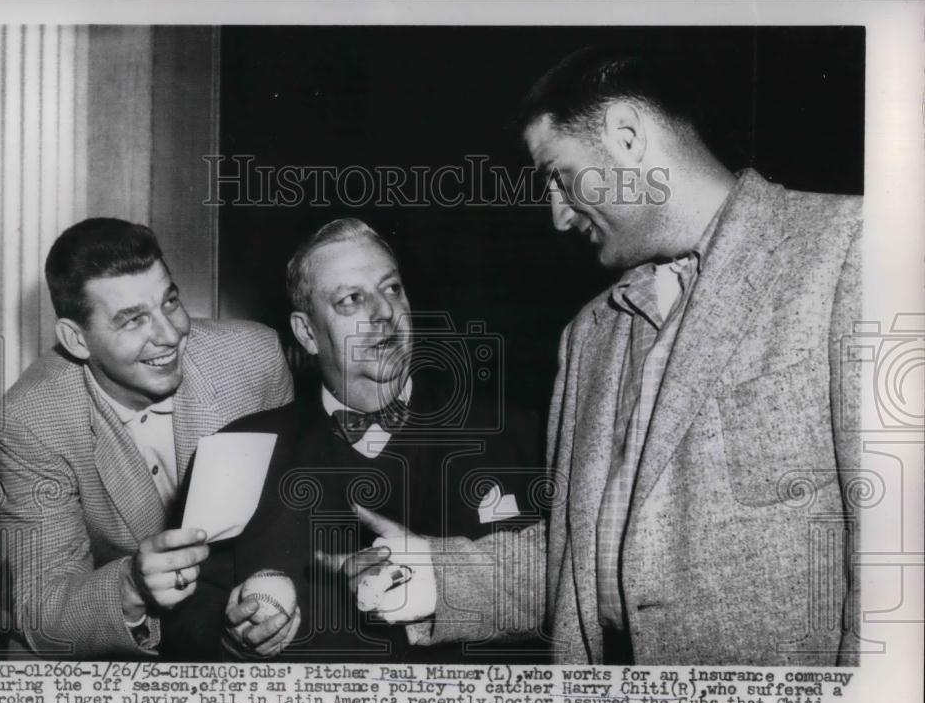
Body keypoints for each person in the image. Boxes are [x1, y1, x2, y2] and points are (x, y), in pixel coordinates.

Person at [335, 51, 861, 666]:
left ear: (628, 136)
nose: (557, 215)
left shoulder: (851, 249)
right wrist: (436, 573)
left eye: (558, 176)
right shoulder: (589, 335)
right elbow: (579, 560)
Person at [161, 218, 546, 662]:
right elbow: (185, 620)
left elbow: (567, 599)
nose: (384, 312)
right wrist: (233, 637)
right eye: (352, 299)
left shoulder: (513, 434)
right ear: (306, 333)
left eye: (393, 289)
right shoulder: (237, 450)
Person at [0, 218, 294, 658]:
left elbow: (287, 512)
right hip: (126, 643)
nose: (171, 335)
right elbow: (42, 608)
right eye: (133, 321)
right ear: (77, 340)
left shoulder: (255, 357)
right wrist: (131, 584)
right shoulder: (30, 420)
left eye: (170, 301)